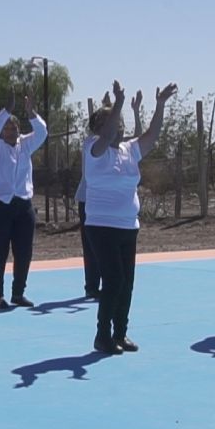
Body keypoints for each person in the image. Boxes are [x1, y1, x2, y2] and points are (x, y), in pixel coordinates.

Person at [84, 80, 178, 354]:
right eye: (112, 121)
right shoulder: (93, 148)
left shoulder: (128, 150)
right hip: (101, 226)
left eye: (121, 121)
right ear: (99, 128)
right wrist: (119, 102)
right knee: (113, 280)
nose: (119, 126)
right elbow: (106, 133)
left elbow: (152, 134)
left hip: (128, 226)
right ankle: (102, 336)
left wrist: (160, 104)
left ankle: (120, 333)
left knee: (127, 283)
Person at [0, 87, 47, 309]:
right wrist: (7, 110)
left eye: (14, 126)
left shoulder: (26, 144)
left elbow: (43, 132)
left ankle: (18, 293)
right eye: (6, 127)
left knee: (24, 251)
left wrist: (31, 112)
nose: (10, 130)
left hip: (22, 206)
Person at [76, 90, 143, 299]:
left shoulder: (122, 147)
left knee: (114, 262)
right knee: (92, 248)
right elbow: (108, 133)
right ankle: (91, 285)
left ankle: (109, 285)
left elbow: (138, 138)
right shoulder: (93, 143)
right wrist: (117, 105)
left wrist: (135, 111)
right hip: (90, 200)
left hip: (114, 207)